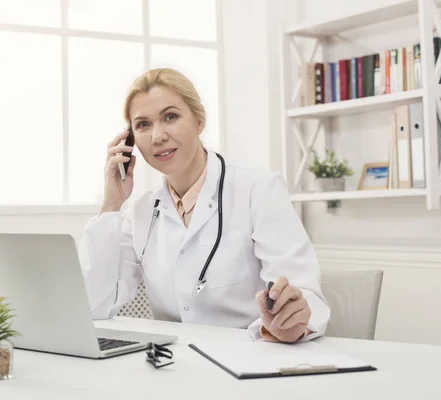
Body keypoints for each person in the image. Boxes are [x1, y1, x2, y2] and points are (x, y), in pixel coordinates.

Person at [79, 68, 330, 343]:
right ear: (130, 141)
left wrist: (289, 319)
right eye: (143, 125)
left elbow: (302, 293)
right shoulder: (140, 210)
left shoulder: (258, 190)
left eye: (170, 117)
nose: (157, 136)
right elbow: (95, 304)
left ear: (199, 120)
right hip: (173, 366)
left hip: (251, 358)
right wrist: (111, 203)